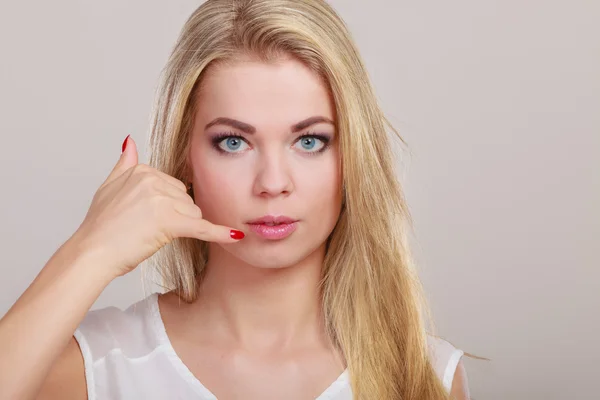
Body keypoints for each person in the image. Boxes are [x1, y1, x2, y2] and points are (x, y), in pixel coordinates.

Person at [0, 0, 470, 399]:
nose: (272, 182)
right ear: (185, 157)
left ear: (353, 159)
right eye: (233, 142)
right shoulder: (96, 364)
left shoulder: (425, 373)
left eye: (309, 141)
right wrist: (91, 251)